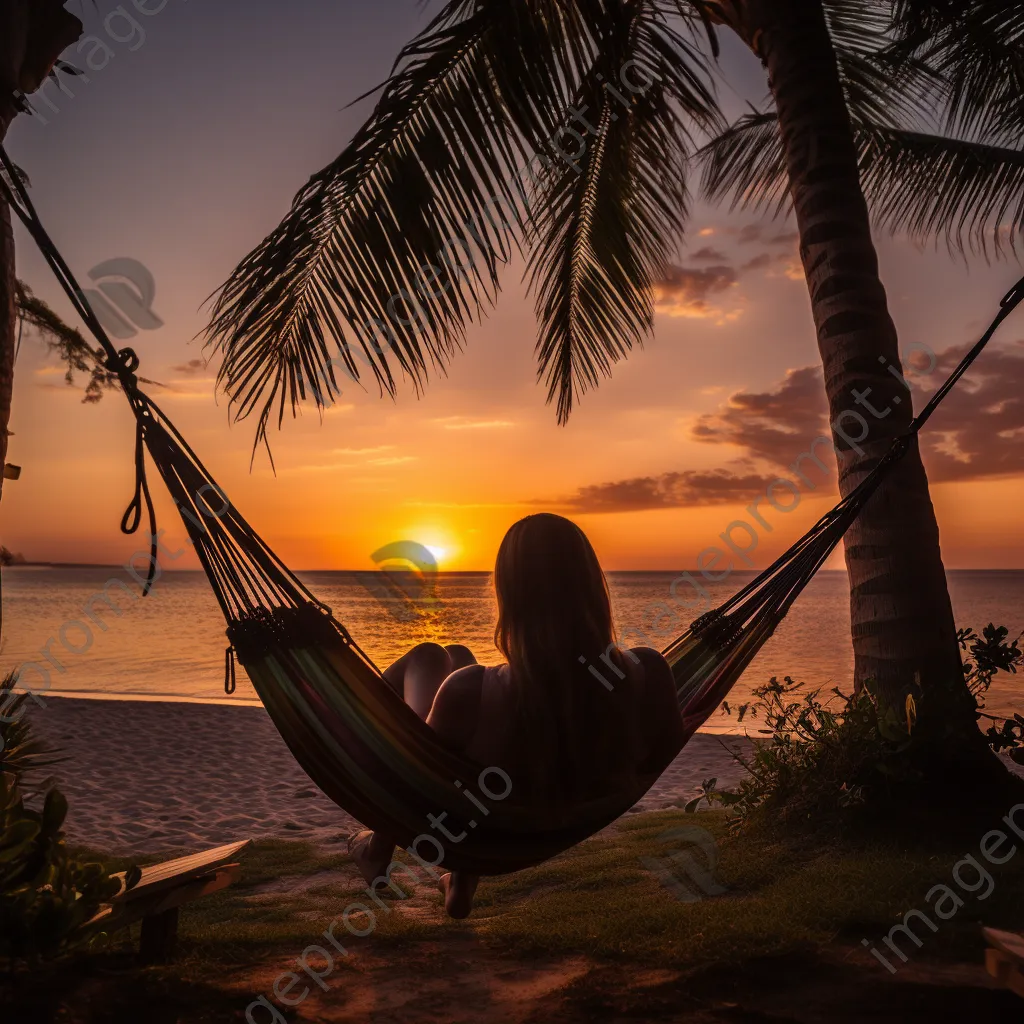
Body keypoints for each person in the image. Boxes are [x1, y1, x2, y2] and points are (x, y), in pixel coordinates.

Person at [349, 513, 684, 918]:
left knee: (429, 657)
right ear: (593, 584)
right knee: (457, 657)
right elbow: (660, 754)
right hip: (558, 815)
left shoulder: (472, 691)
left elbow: (416, 787)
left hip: (477, 828)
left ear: (510, 595)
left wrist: (362, 733)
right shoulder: (649, 671)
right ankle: (459, 880)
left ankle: (376, 850)